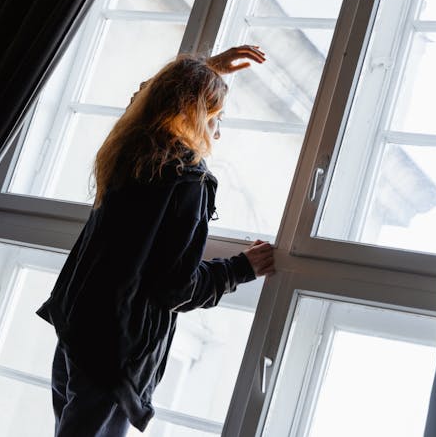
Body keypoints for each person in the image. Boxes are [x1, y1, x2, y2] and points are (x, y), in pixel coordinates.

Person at [36, 45, 276, 436]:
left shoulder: (131, 149)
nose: (218, 131)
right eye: (216, 118)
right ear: (194, 115)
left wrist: (206, 72)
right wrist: (240, 269)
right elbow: (175, 287)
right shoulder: (187, 179)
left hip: (78, 331)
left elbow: (146, 97)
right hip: (113, 355)